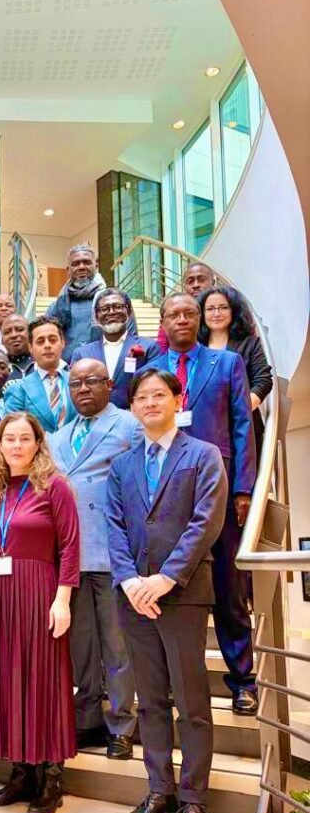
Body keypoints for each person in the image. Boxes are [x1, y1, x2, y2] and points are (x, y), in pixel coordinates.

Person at [106, 368, 228, 813]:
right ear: (133, 407)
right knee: (151, 700)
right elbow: (113, 527)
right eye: (142, 397)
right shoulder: (121, 465)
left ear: (177, 400)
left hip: (182, 594)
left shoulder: (203, 455)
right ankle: (159, 792)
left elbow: (206, 523)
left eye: (160, 395)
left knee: (191, 701)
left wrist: (165, 578)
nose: (151, 403)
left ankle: (195, 799)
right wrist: (132, 580)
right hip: (134, 596)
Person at [150, 293, 257, 714]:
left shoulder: (227, 364)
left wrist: (244, 487)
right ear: (163, 321)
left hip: (221, 489)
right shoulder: (149, 373)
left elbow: (242, 424)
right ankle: (177, 683)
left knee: (230, 590)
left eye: (189, 313)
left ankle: (243, 682)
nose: (182, 319)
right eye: (173, 314)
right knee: (176, 589)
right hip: (170, 493)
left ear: (199, 319)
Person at [0, 412, 80, 813]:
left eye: (24, 438)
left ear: (37, 444)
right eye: (8, 439)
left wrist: (62, 599)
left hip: (40, 593)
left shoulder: (55, 487)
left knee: (43, 680)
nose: (16, 446)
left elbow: (70, 545)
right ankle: (20, 773)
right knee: (9, 681)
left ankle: (51, 778)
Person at [48, 359, 141, 758]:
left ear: (108, 383)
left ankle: (121, 724)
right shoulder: (56, 437)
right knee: (80, 647)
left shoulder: (128, 426)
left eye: (91, 382)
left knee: (117, 647)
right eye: (75, 383)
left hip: (113, 553)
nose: (83, 389)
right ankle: (86, 720)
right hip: (70, 557)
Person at [198, 286, 273, 456]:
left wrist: (240, 410)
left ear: (234, 311)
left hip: (242, 427)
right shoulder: (195, 346)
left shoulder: (250, 343)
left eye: (223, 307)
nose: (216, 313)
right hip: (204, 427)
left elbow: (263, 380)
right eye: (210, 308)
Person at [70, 289, 160, 409]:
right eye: (105, 309)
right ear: (96, 316)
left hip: (136, 420)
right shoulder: (82, 354)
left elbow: (155, 387)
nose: (111, 312)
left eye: (117, 307)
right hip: (96, 421)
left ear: (128, 311)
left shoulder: (150, 347)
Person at [4, 317, 75, 433]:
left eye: (52, 340)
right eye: (40, 341)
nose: (47, 345)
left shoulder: (78, 383)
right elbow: (13, 433)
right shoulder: (18, 390)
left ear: (62, 343)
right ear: (31, 347)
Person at [44, 244, 106, 361]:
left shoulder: (112, 302)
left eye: (86, 262)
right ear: (68, 270)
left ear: (96, 266)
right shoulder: (57, 306)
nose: (81, 267)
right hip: (67, 371)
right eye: (75, 264)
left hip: (102, 368)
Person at [156, 262, 215, 352]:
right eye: (190, 282)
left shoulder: (223, 312)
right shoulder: (173, 312)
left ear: (213, 283)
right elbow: (161, 349)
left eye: (201, 280)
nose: (195, 285)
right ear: (184, 286)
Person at [0, 313, 35, 387]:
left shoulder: (43, 364)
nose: (14, 335)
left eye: (19, 329)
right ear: (2, 340)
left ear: (30, 334)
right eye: (7, 332)